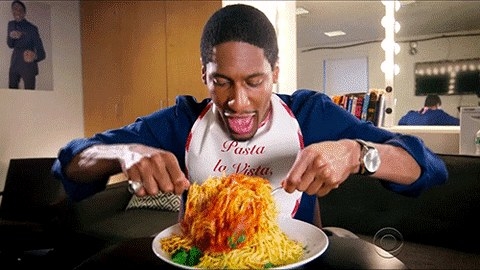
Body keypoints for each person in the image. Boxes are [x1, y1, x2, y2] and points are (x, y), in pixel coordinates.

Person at [53, 3, 447, 240]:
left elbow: (428, 166)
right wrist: (124, 152)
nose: (237, 102)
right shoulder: (181, 121)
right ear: (204, 74)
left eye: (254, 82)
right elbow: (68, 162)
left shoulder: (311, 113)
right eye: (221, 82)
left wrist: (358, 153)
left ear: (275, 72)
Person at [7, 0, 46, 90]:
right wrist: (11, 37)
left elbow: (42, 53)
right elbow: (10, 45)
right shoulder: (11, 24)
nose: (17, 11)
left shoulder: (32, 28)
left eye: (20, 9)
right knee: (12, 94)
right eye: (14, 9)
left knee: (30, 96)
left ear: (24, 13)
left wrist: (34, 56)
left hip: (28, 65)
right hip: (14, 64)